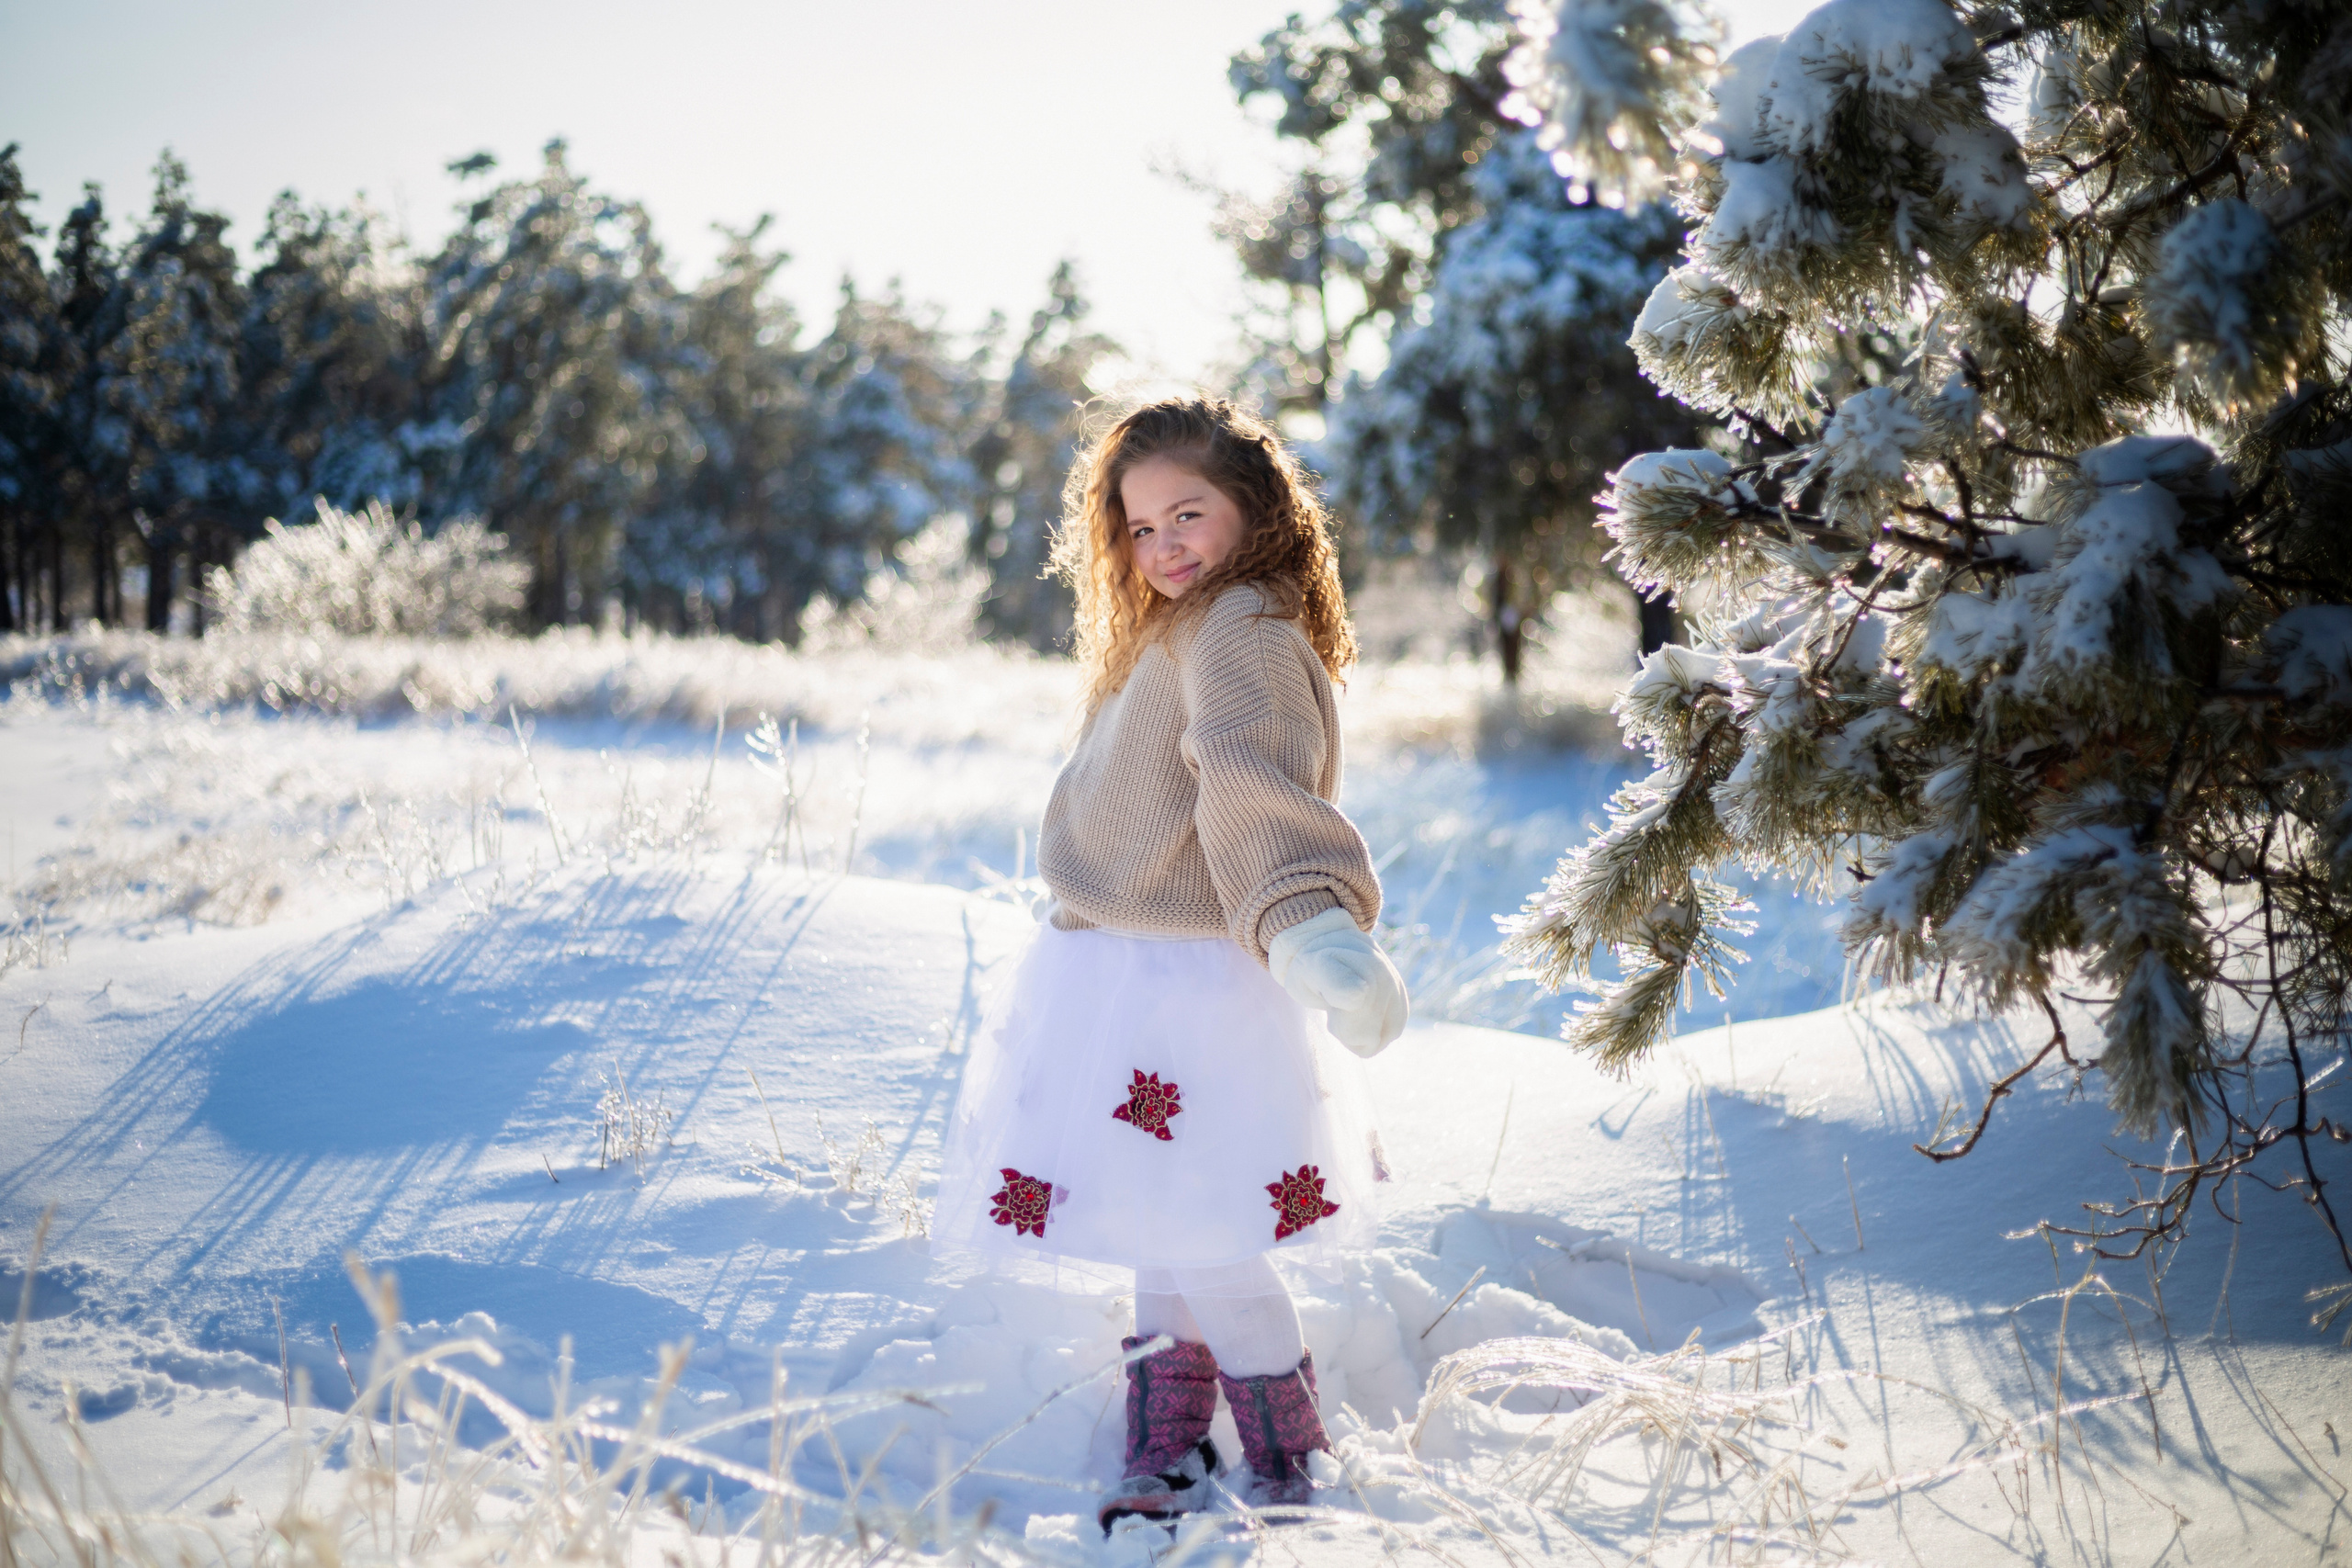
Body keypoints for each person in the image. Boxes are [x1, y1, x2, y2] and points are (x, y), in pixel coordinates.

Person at [933, 394, 1410, 1533]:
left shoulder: (1240, 622)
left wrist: (1309, 922)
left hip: (1192, 984)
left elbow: (1254, 781)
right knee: (1160, 1211)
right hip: (1128, 973)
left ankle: (1286, 1444)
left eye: (1188, 513)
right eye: (1140, 528)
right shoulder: (1177, 622)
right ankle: (1170, 1417)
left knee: (1204, 1225)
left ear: (1256, 507)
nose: (1164, 547)